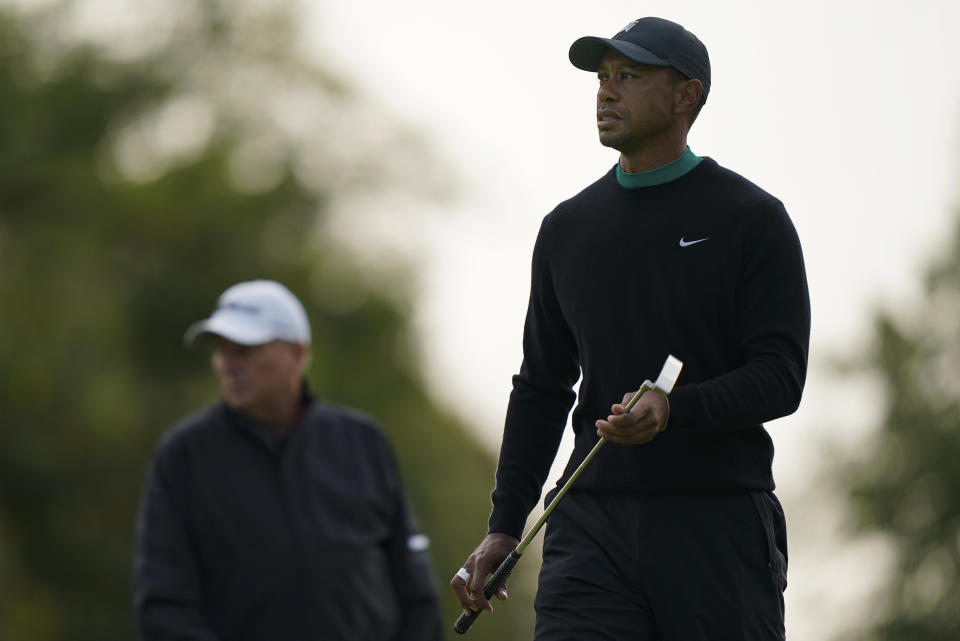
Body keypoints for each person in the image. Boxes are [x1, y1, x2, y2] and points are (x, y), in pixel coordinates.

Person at [451, 16, 810, 641]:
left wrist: (674, 410)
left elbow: (780, 377)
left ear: (684, 96)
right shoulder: (567, 229)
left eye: (630, 77)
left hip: (716, 521)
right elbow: (541, 387)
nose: (606, 92)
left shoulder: (753, 220)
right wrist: (504, 525)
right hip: (591, 527)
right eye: (602, 78)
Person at [134, 279, 443, 641]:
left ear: (298, 353)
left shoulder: (364, 442)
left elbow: (415, 591)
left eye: (245, 349)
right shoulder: (184, 456)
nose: (228, 365)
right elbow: (164, 606)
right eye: (221, 350)